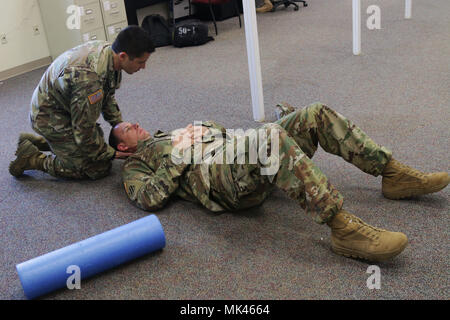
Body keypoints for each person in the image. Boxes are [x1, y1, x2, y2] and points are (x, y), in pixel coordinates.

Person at [111, 102, 449, 262]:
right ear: (123, 148)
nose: (136, 124)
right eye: (127, 128)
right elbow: (150, 199)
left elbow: (225, 136)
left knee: (314, 113)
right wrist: (180, 153)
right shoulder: (135, 168)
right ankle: (343, 228)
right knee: (271, 137)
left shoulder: (166, 134)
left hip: (235, 156)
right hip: (219, 181)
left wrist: (203, 129)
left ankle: (391, 172)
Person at [9, 26, 155, 180]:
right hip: (48, 117)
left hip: (63, 109)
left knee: (95, 145)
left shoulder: (110, 54)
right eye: (140, 62)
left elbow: (108, 95)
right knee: (96, 167)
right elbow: (83, 131)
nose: (143, 67)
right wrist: (111, 153)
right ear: (123, 56)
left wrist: (118, 125)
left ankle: (39, 142)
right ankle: (32, 158)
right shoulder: (90, 79)